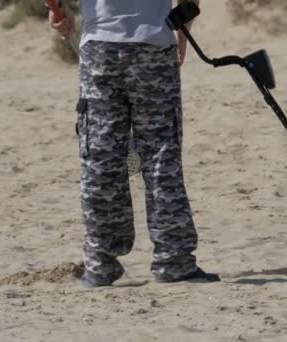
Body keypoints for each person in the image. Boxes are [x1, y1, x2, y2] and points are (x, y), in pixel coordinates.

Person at [48, 0, 219, 287]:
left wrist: (57, 13)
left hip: (100, 47)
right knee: (161, 156)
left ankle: (100, 263)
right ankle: (173, 260)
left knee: (100, 158)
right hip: (154, 43)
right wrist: (182, 33)